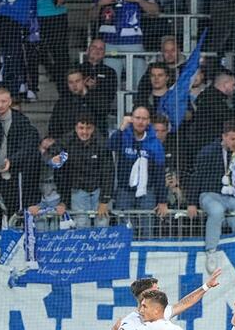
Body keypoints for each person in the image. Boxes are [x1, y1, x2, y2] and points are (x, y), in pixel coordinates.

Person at [188, 119, 235, 268]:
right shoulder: (208, 151)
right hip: (209, 195)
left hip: (231, 197)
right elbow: (196, 177)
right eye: (232, 139)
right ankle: (211, 251)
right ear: (223, 137)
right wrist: (191, 203)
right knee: (217, 211)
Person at [0, 87, 41, 223]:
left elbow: (27, 147)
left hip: (15, 175)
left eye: (3, 101)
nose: (0, 105)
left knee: (15, 212)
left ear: (10, 102)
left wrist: (12, 161)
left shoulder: (22, 121)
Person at [42, 114, 114, 228]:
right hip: (78, 191)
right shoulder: (67, 140)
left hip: (99, 190)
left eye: (88, 128)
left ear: (93, 128)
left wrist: (104, 201)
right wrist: (52, 159)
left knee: (102, 224)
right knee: (81, 224)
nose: (84, 132)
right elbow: (47, 153)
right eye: (81, 128)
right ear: (76, 128)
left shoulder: (102, 143)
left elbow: (108, 172)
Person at [107, 106, 168, 234]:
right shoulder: (123, 136)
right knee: (124, 230)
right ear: (131, 119)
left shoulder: (155, 143)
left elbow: (160, 174)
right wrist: (122, 127)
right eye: (137, 118)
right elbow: (110, 146)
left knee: (147, 228)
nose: (140, 122)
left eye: (144, 119)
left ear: (149, 121)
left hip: (147, 192)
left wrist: (162, 201)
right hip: (124, 191)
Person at [91, 0, 161, 91]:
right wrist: (100, 4)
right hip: (109, 46)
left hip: (133, 43)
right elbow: (91, 16)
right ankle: (113, 106)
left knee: (139, 84)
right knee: (110, 85)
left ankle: (140, 106)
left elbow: (155, 11)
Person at [48, 68, 108, 138]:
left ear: (84, 81)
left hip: (93, 142)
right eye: (71, 82)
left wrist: (85, 93)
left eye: (77, 81)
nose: (74, 85)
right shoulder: (62, 103)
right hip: (68, 143)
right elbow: (53, 127)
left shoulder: (96, 98)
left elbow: (103, 113)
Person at [35, 0, 71, 92]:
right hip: (34, 14)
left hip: (56, 13)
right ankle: (54, 73)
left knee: (60, 53)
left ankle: (65, 88)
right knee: (38, 49)